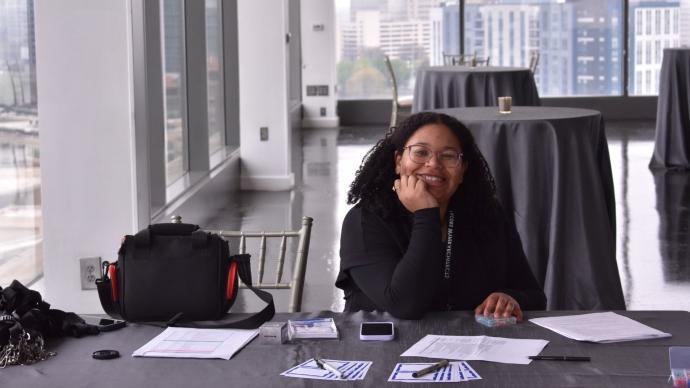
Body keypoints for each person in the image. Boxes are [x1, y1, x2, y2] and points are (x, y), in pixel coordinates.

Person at [336, 112, 546, 320]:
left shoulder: (486, 215)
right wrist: (426, 214)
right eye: (420, 153)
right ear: (398, 161)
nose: (434, 164)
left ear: (463, 170)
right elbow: (405, 305)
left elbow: (535, 297)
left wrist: (510, 298)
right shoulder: (365, 220)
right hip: (381, 348)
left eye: (448, 156)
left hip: (471, 346)